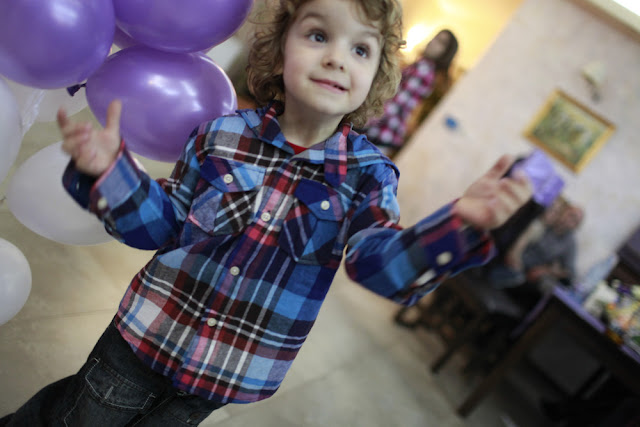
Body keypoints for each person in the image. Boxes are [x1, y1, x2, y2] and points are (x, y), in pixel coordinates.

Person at [0, 0, 531, 425]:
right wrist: (111, 175)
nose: (337, 58)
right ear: (279, 53)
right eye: (318, 35)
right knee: (76, 417)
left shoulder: (370, 178)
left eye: (361, 49)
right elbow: (162, 225)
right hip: (143, 337)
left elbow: (378, 266)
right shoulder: (220, 136)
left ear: (376, 76)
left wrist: (459, 225)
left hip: (228, 373)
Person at [361, 28, 459, 158]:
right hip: (384, 131)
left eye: (441, 42)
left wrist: (366, 120)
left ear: (446, 53)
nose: (433, 42)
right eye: (435, 37)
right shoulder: (424, 67)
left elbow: (396, 104)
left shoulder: (424, 69)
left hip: (381, 131)